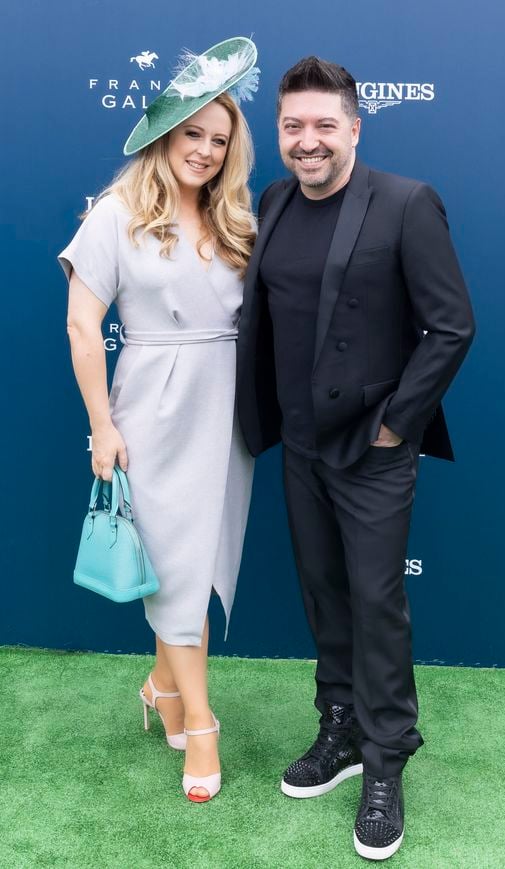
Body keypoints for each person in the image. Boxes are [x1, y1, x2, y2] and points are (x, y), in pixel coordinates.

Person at [236, 56, 475, 860]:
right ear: (279, 132)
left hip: (372, 449)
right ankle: (336, 727)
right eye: (292, 126)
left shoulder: (406, 203)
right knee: (323, 591)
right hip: (298, 445)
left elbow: (452, 326)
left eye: (323, 126)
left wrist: (394, 427)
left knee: (376, 603)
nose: (307, 142)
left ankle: (386, 760)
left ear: (354, 128)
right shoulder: (270, 200)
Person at [59, 37, 259, 804]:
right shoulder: (115, 213)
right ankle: (199, 724)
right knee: (174, 564)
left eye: (218, 139)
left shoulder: (231, 214)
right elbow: (83, 328)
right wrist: (102, 426)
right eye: (193, 135)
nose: (205, 151)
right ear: (164, 135)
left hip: (224, 408)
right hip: (153, 406)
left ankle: (162, 687)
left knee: (194, 562)